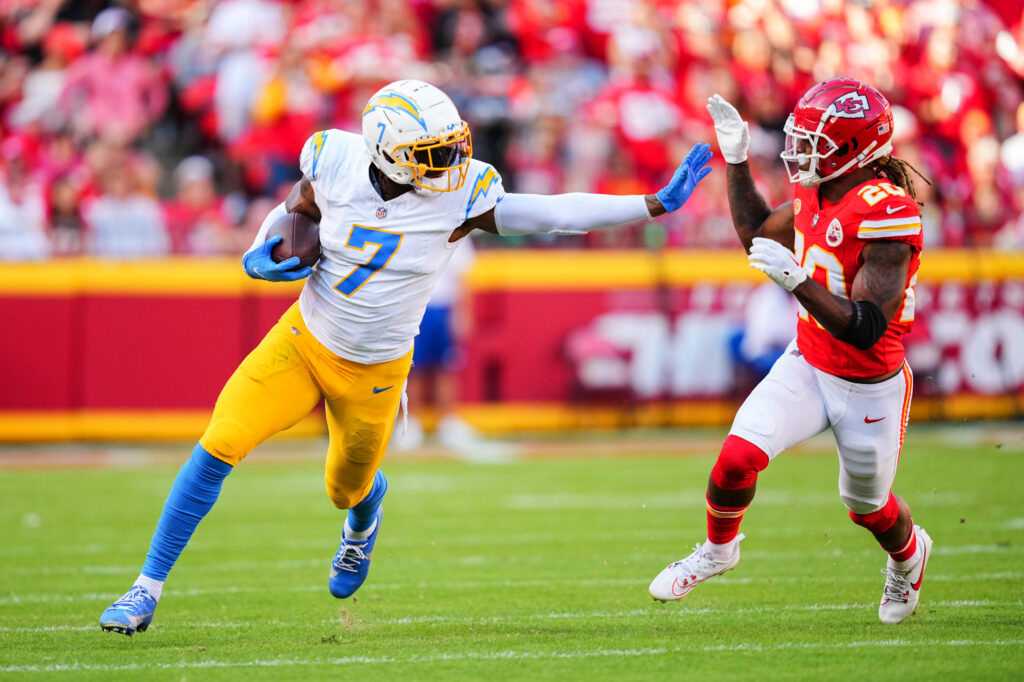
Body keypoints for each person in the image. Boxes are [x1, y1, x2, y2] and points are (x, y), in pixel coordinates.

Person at [99, 79, 713, 635]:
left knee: (345, 489)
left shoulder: (464, 195)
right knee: (218, 444)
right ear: (388, 151)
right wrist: (262, 246)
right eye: (433, 153)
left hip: (376, 372)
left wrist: (650, 204)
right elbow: (298, 207)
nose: (451, 162)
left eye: (452, 147)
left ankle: (364, 516)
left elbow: (553, 213)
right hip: (303, 341)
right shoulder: (333, 155)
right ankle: (144, 589)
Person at [649, 78, 932, 625]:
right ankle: (717, 550)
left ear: (855, 149)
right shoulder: (818, 187)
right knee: (736, 460)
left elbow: (867, 327)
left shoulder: (885, 211)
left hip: (870, 381)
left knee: (869, 508)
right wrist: (735, 158)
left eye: (815, 142)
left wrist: (799, 281)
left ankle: (909, 556)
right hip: (808, 361)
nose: (801, 152)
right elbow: (756, 230)